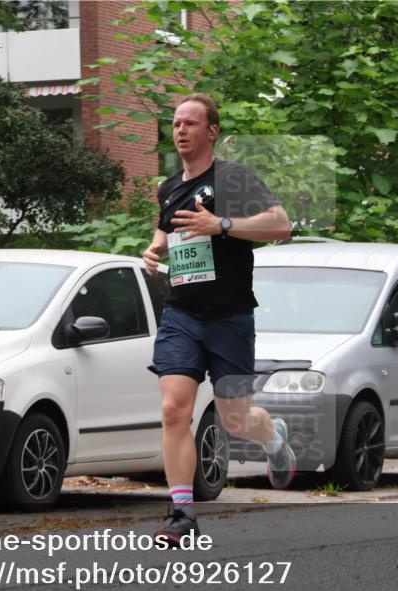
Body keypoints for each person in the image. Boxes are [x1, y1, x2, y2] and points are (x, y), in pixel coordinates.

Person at [142, 93, 293, 546]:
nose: (181, 131)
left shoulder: (233, 178)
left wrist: (221, 226)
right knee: (174, 409)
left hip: (229, 316)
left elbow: (281, 226)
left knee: (235, 420)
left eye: (190, 123)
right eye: (175, 124)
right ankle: (183, 513)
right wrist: (155, 248)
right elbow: (168, 227)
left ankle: (273, 438)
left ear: (212, 131)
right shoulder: (169, 187)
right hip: (182, 313)